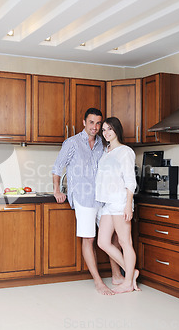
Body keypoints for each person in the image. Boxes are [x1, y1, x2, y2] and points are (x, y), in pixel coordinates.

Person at [52, 108, 123, 295]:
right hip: (83, 197)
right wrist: (57, 190)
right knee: (89, 238)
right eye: (92, 122)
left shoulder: (103, 143)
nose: (95, 127)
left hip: (102, 197)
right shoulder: (72, 143)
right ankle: (98, 282)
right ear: (84, 123)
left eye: (99, 123)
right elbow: (58, 167)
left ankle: (117, 275)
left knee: (113, 237)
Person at [95, 117, 140, 294]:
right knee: (103, 242)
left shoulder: (125, 151)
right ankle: (131, 273)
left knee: (124, 242)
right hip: (107, 202)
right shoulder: (106, 152)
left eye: (109, 129)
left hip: (120, 201)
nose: (106, 133)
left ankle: (128, 282)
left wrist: (128, 205)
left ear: (117, 131)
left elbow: (130, 180)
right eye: (104, 130)